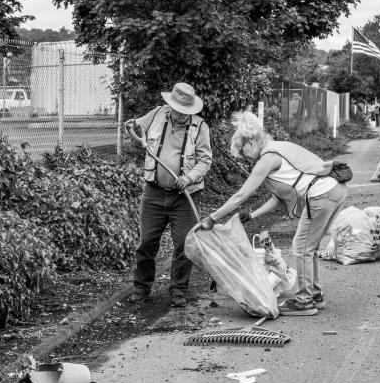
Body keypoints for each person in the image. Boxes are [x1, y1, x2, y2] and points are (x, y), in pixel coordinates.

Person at [199, 112, 347, 316]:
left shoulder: (268, 158)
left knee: (301, 247)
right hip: (336, 190)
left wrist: (212, 218)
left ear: (250, 142)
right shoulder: (280, 147)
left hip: (321, 194)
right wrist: (252, 215)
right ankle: (315, 295)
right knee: (309, 247)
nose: (244, 156)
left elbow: (241, 195)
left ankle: (304, 301)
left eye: (243, 151)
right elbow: (280, 197)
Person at [124, 82, 212, 307]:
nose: (183, 116)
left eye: (187, 112)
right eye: (180, 111)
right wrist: (131, 125)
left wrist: (189, 178)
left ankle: (178, 291)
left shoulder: (200, 127)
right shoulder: (157, 114)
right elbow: (137, 127)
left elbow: (204, 160)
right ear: (171, 105)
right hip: (153, 193)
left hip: (185, 196)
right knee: (146, 243)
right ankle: (141, 288)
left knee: (184, 244)